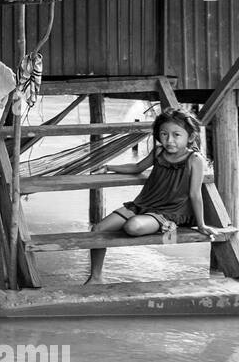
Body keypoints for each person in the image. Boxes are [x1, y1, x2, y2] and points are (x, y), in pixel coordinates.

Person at [84, 107, 226, 285]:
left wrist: (201, 224)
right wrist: (109, 167)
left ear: (190, 137)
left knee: (132, 227)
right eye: (164, 134)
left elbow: (195, 194)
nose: (169, 140)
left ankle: (168, 227)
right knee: (97, 229)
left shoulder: (195, 159)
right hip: (143, 204)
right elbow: (137, 168)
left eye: (176, 135)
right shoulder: (159, 152)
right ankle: (95, 277)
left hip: (169, 212)